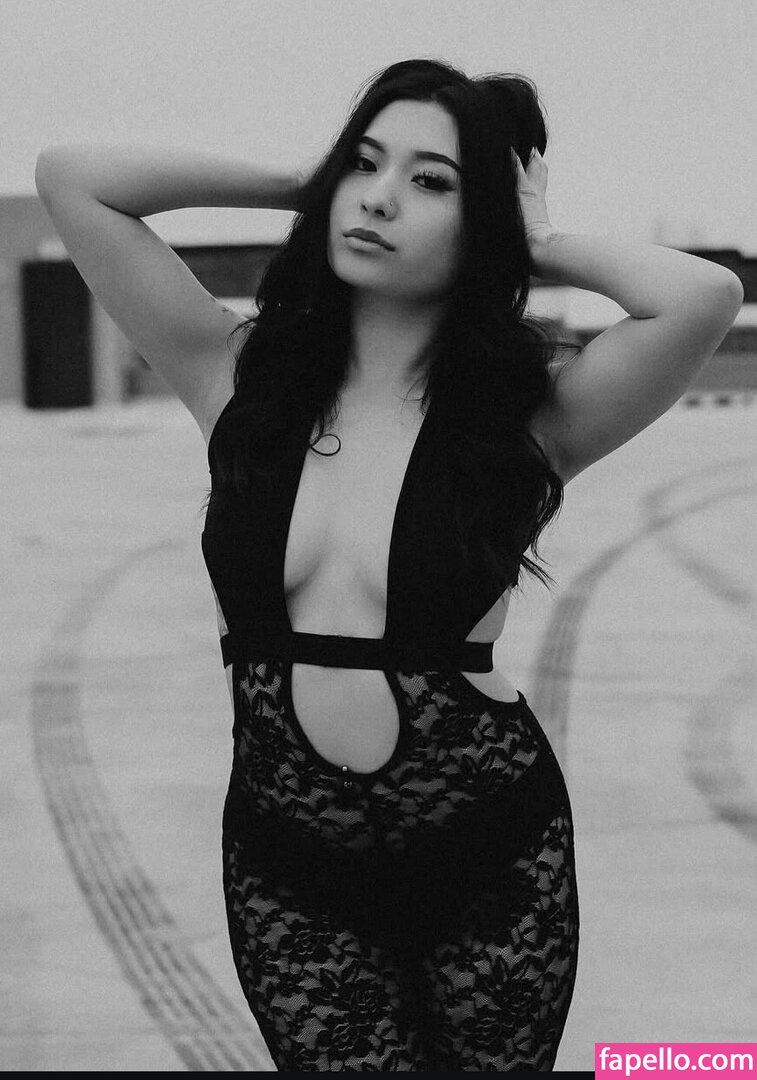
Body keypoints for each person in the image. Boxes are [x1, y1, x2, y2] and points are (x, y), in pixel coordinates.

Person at [35, 57, 742, 1072]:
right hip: (289, 861)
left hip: (485, 847)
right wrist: (311, 179)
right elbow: (74, 178)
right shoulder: (233, 374)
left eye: (431, 181)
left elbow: (701, 295)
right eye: (365, 165)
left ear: (480, 219)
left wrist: (534, 240)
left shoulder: (532, 415)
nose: (378, 197)